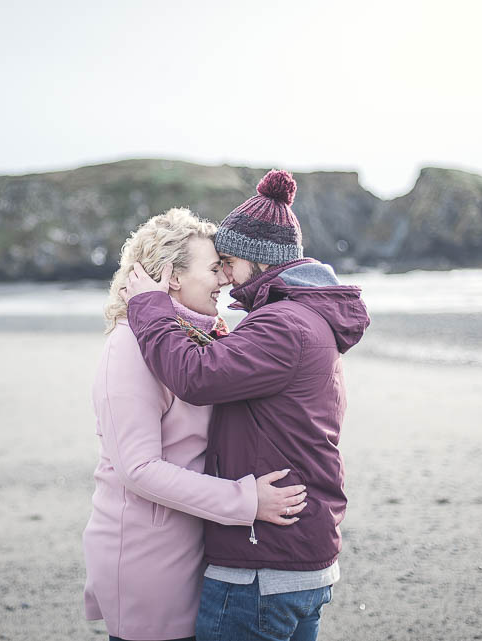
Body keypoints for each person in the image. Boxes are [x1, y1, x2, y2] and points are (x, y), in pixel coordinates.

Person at [122, 171, 370, 641]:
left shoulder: (282, 325)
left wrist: (150, 307)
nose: (226, 277)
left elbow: (196, 376)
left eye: (229, 262)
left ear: (258, 260)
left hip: (262, 568)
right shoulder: (302, 318)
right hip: (294, 558)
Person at [83, 207, 309, 641]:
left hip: (195, 544)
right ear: (172, 275)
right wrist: (246, 501)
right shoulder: (129, 347)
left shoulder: (195, 338)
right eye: (213, 268)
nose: (225, 279)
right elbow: (138, 469)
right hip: (147, 558)